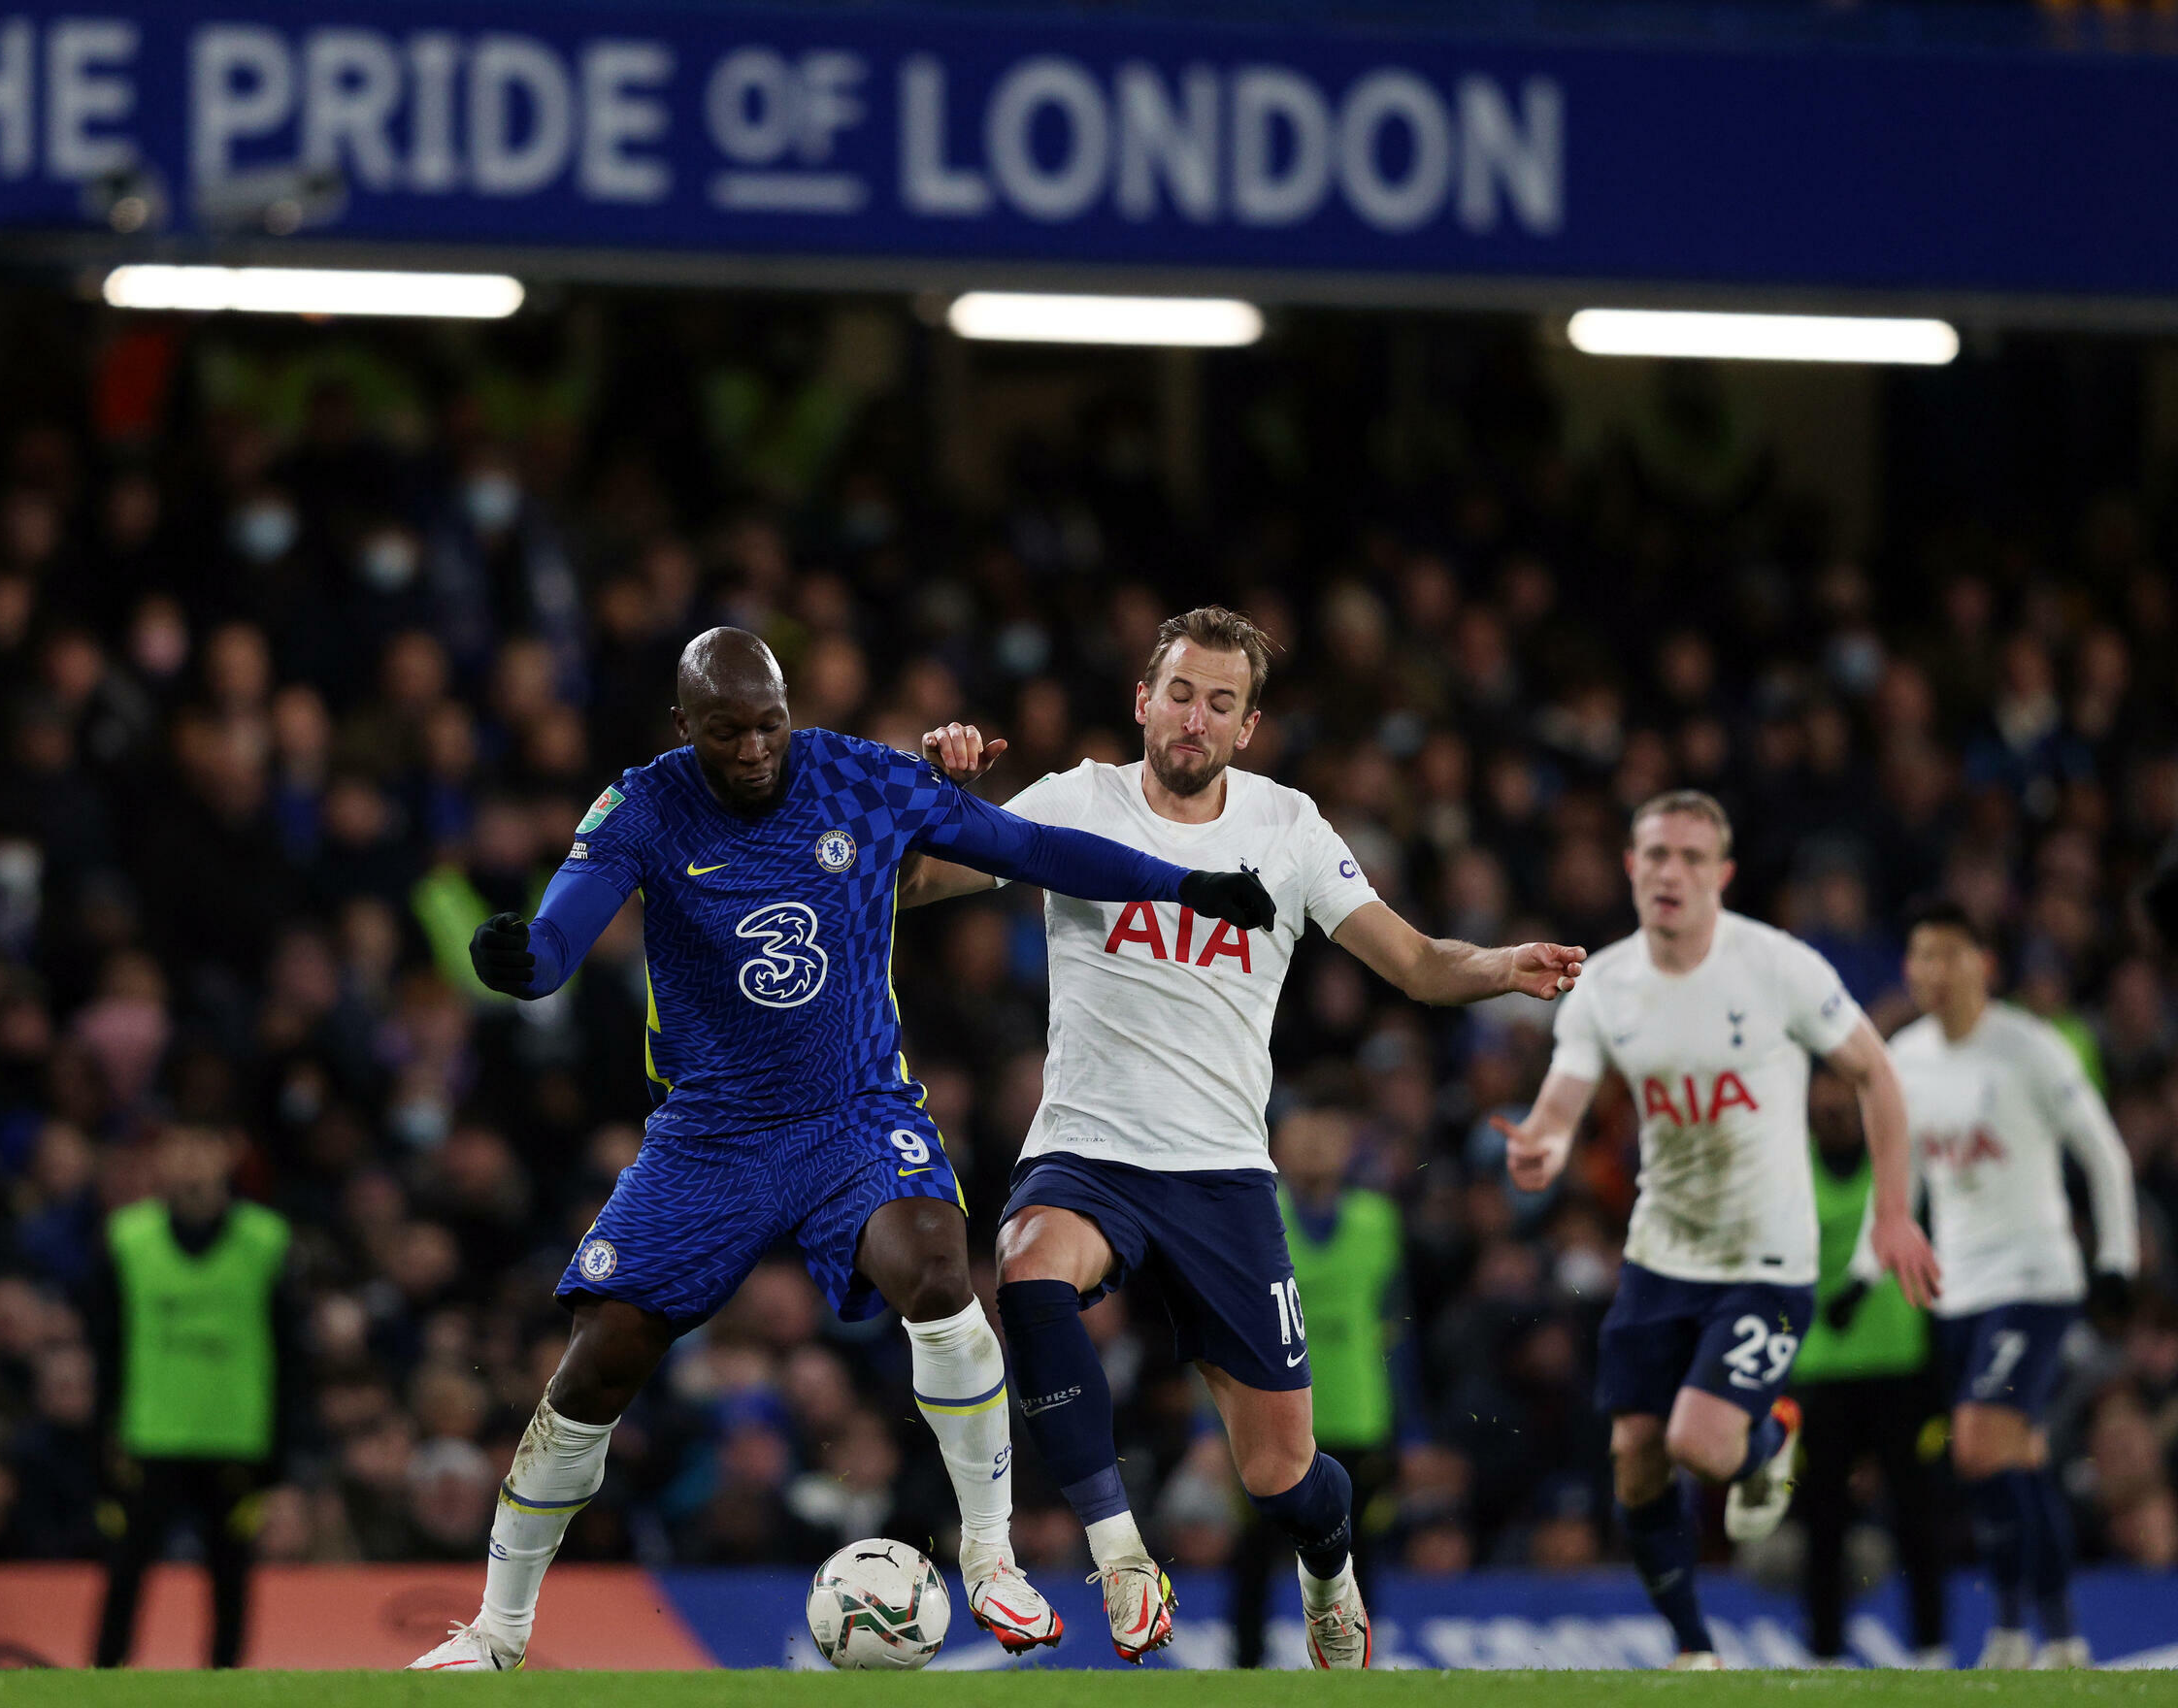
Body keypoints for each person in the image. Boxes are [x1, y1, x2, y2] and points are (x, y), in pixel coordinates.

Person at [407, 627, 1276, 1671]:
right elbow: (552, 943)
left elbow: (1025, 848)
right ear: (685, 726)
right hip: (711, 1132)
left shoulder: (859, 777)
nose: (753, 750)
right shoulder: (641, 804)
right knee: (598, 1366)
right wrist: (518, 956)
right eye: (726, 732)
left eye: (768, 725)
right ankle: (497, 1630)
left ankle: (990, 1557)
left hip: (854, 1114)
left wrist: (1178, 882)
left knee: (937, 1269)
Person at [902, 607, 1584, 1666]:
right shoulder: (1075, 798)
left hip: (1221, 1175)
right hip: (1087, 1149)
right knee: (1027, 1267)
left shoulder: (1287, 827)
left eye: (1220, 702)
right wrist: (932, 793)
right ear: (1142, 698)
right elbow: (913, 881)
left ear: (1248, 725)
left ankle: (1329, 1565)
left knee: (1281, 1475)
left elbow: (1408, 962)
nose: (1194, 717)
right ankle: (1120, 1551)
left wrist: (1501, 965)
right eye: (1178, 693)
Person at [1493, 790, 1939, 1670]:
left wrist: (1891, 1211)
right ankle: (1695, 1652)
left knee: (1699, 1444)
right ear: (1632, 867)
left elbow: (1877, 1076)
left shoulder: (1780, 969)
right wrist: (1541, 1142)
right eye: (1657, 854)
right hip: (1663, 1256)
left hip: (1768, 1259)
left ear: (1723, 876)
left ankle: (1771, 1436)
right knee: (1635, 1459)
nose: (1672, 872)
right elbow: (1565, 1094)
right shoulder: (1606, 984)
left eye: (1693, 858)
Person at [1839, 901, 2139, 1669]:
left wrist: (2117, 1261)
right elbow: (1899, 1184)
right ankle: (2065, 1639)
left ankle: (2008, 1633)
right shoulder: (1903, 1057)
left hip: (2037, 1278)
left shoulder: (2031, 1049)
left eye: (1946, 955)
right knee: (2017, 1458)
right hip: (1959, 1288)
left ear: (1984, 964)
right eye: (1919, 958)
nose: (1930, 972)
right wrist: (1862, 1273)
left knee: (1976, 1441)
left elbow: (2103, 1153)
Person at [92, 1121, 301, 1669]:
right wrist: (104, 1429)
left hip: (234, 1434)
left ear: (227, 1154)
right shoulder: (128, 1238)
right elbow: (106, 1344)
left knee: (230, 1575)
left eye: (202, 1147)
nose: (189, 1162)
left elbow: (289, 1352)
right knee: (125, 1570)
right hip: (149, 1432)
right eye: (177, 1148)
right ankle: (102, 1682)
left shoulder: (266, 1240)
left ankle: (225, 1684)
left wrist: (281, 1454)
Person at [1229, 1106, 1428, 1668]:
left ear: (1350, 1147)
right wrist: (1205, 1423)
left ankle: (1356, 1665)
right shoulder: (1258, 1215)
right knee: (1256, 1554)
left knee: (1356, 1555)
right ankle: (1245, 1670)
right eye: (1304, 1137)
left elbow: (1398, 1331)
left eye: (1329, 1135)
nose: (1316, 1148)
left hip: (1360, 1413)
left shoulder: (1377, 1221)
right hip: (1270, 1413)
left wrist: (1411, 1430)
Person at [1792, 1070, 1948, 1667]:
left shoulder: (1896, 1156)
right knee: (1823, 1523)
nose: (1831, 1105)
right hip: (1821, 1368)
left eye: (1842, 1094)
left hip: (1899, 1363)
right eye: (1822, 1092)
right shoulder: (1790, 1165)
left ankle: (1931, 1649)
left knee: (1917, 1517)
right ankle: (1826, 1654)